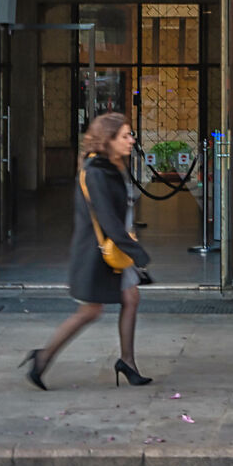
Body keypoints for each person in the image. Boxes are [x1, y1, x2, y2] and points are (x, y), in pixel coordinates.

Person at [22, 112, 152, 390]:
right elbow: (107, 219)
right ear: (109, 140)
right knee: (90, 311)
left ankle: (127, 362)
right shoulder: (96, 172)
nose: (132, 140)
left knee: (131, 298)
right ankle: (42, 357)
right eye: (125, 135)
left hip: (116, 249)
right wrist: (138, 254)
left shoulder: (113, 165)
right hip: (99, 253)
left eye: (131, 134)